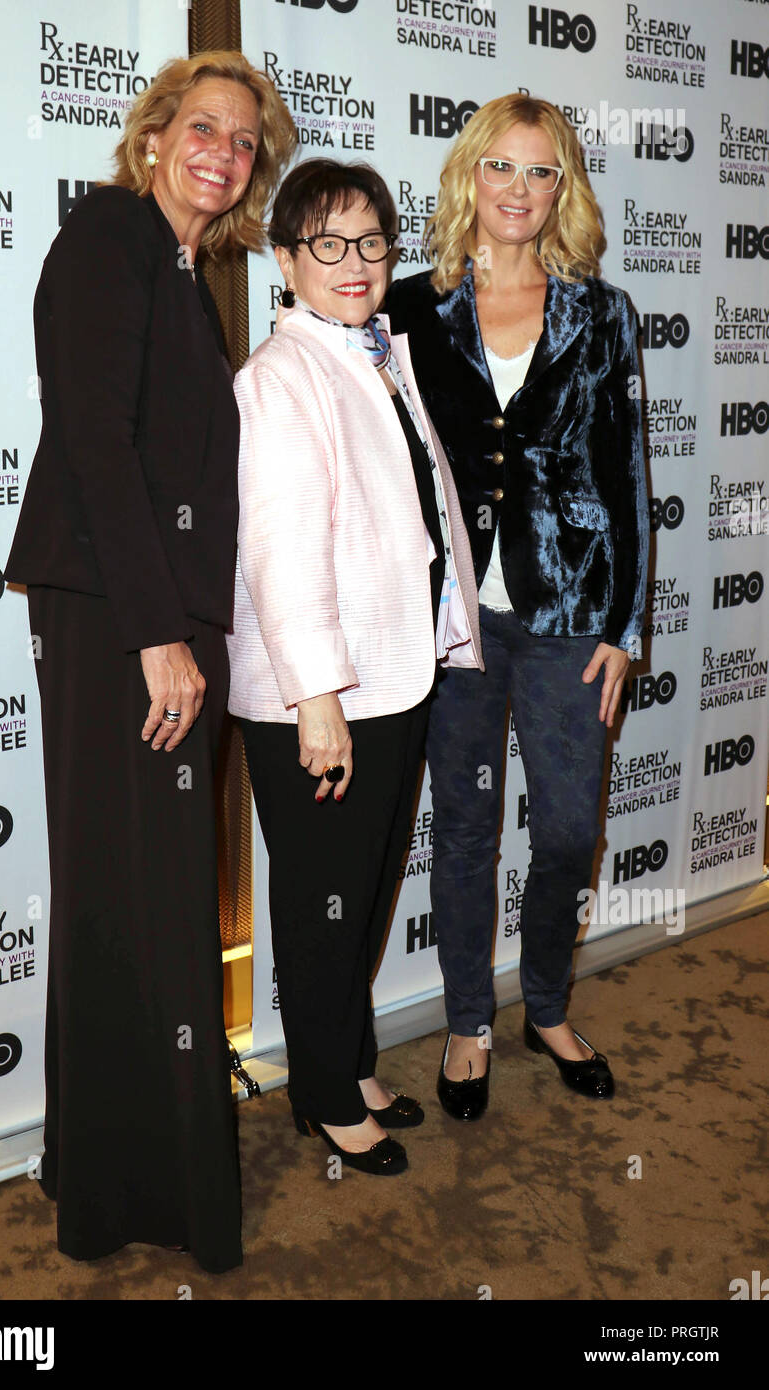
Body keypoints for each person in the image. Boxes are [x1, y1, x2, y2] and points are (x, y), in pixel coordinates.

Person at [4, 52, 295, 1267]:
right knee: (149, 897)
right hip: (121, 624)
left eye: (242, 142)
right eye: (202, 127)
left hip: (147, 615)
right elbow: (94, 445)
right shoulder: (109, 235)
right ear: (156, 133)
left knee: (138, 894)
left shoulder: (180, 269)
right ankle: (147, 1194)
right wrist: (156, 635)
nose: (220, 152)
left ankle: (101, 1166)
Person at [386, 94, 649, 1120]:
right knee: (462, 824)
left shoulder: (602, 313)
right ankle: (465, 1021)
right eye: (500, 167)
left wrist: (623, 629)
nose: (518, 190)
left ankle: (544, 1002)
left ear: (562, 189)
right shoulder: (406, 306)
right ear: (467, 176)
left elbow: (624, 475)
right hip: (448, 616)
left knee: (567, 831)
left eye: (539, 173)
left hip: (566, 614)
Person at [226, 159, 481, 1174]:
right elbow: (282, 553)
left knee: (363, 886)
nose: (352, 261)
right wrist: (316, 701)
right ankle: (325, 1092)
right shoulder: (280, 378)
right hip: (322, 693)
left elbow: (419, 513)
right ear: (283, 260)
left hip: (394, 670)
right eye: (324, 243)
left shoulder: (373, 355)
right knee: (324, 897)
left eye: (370, 241)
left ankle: (349, 1056)